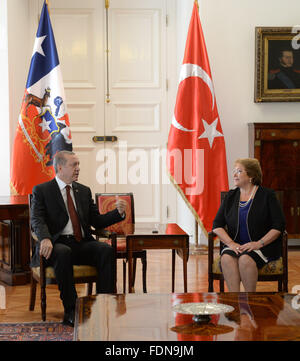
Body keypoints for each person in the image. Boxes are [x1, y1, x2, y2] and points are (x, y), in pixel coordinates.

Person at [31, 150, 126, 326]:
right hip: (56, 244)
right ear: (59, 167)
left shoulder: (83, 190)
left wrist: (117, 213)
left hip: (81, 243)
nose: (78, 169)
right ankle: (71, 310)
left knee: (105, 250)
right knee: (64, 252)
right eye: (74, 165)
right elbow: (37, 219)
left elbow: (96, 221)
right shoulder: (42, 191)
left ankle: (103, 305)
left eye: (78, 165)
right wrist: (44, 238)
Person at [212, 158, 285, 292]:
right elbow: (217, 225)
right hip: (236, 245)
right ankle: (235, 302)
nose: (234, 174)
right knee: (227, 258)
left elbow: (279, 225)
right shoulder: (231, 196)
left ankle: (249, 304)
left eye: (239, 171)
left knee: (245, 259)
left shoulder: (267, 195)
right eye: (234, 171)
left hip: (262, 246)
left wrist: (259, 243)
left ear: (251, 176)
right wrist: (231, 243)